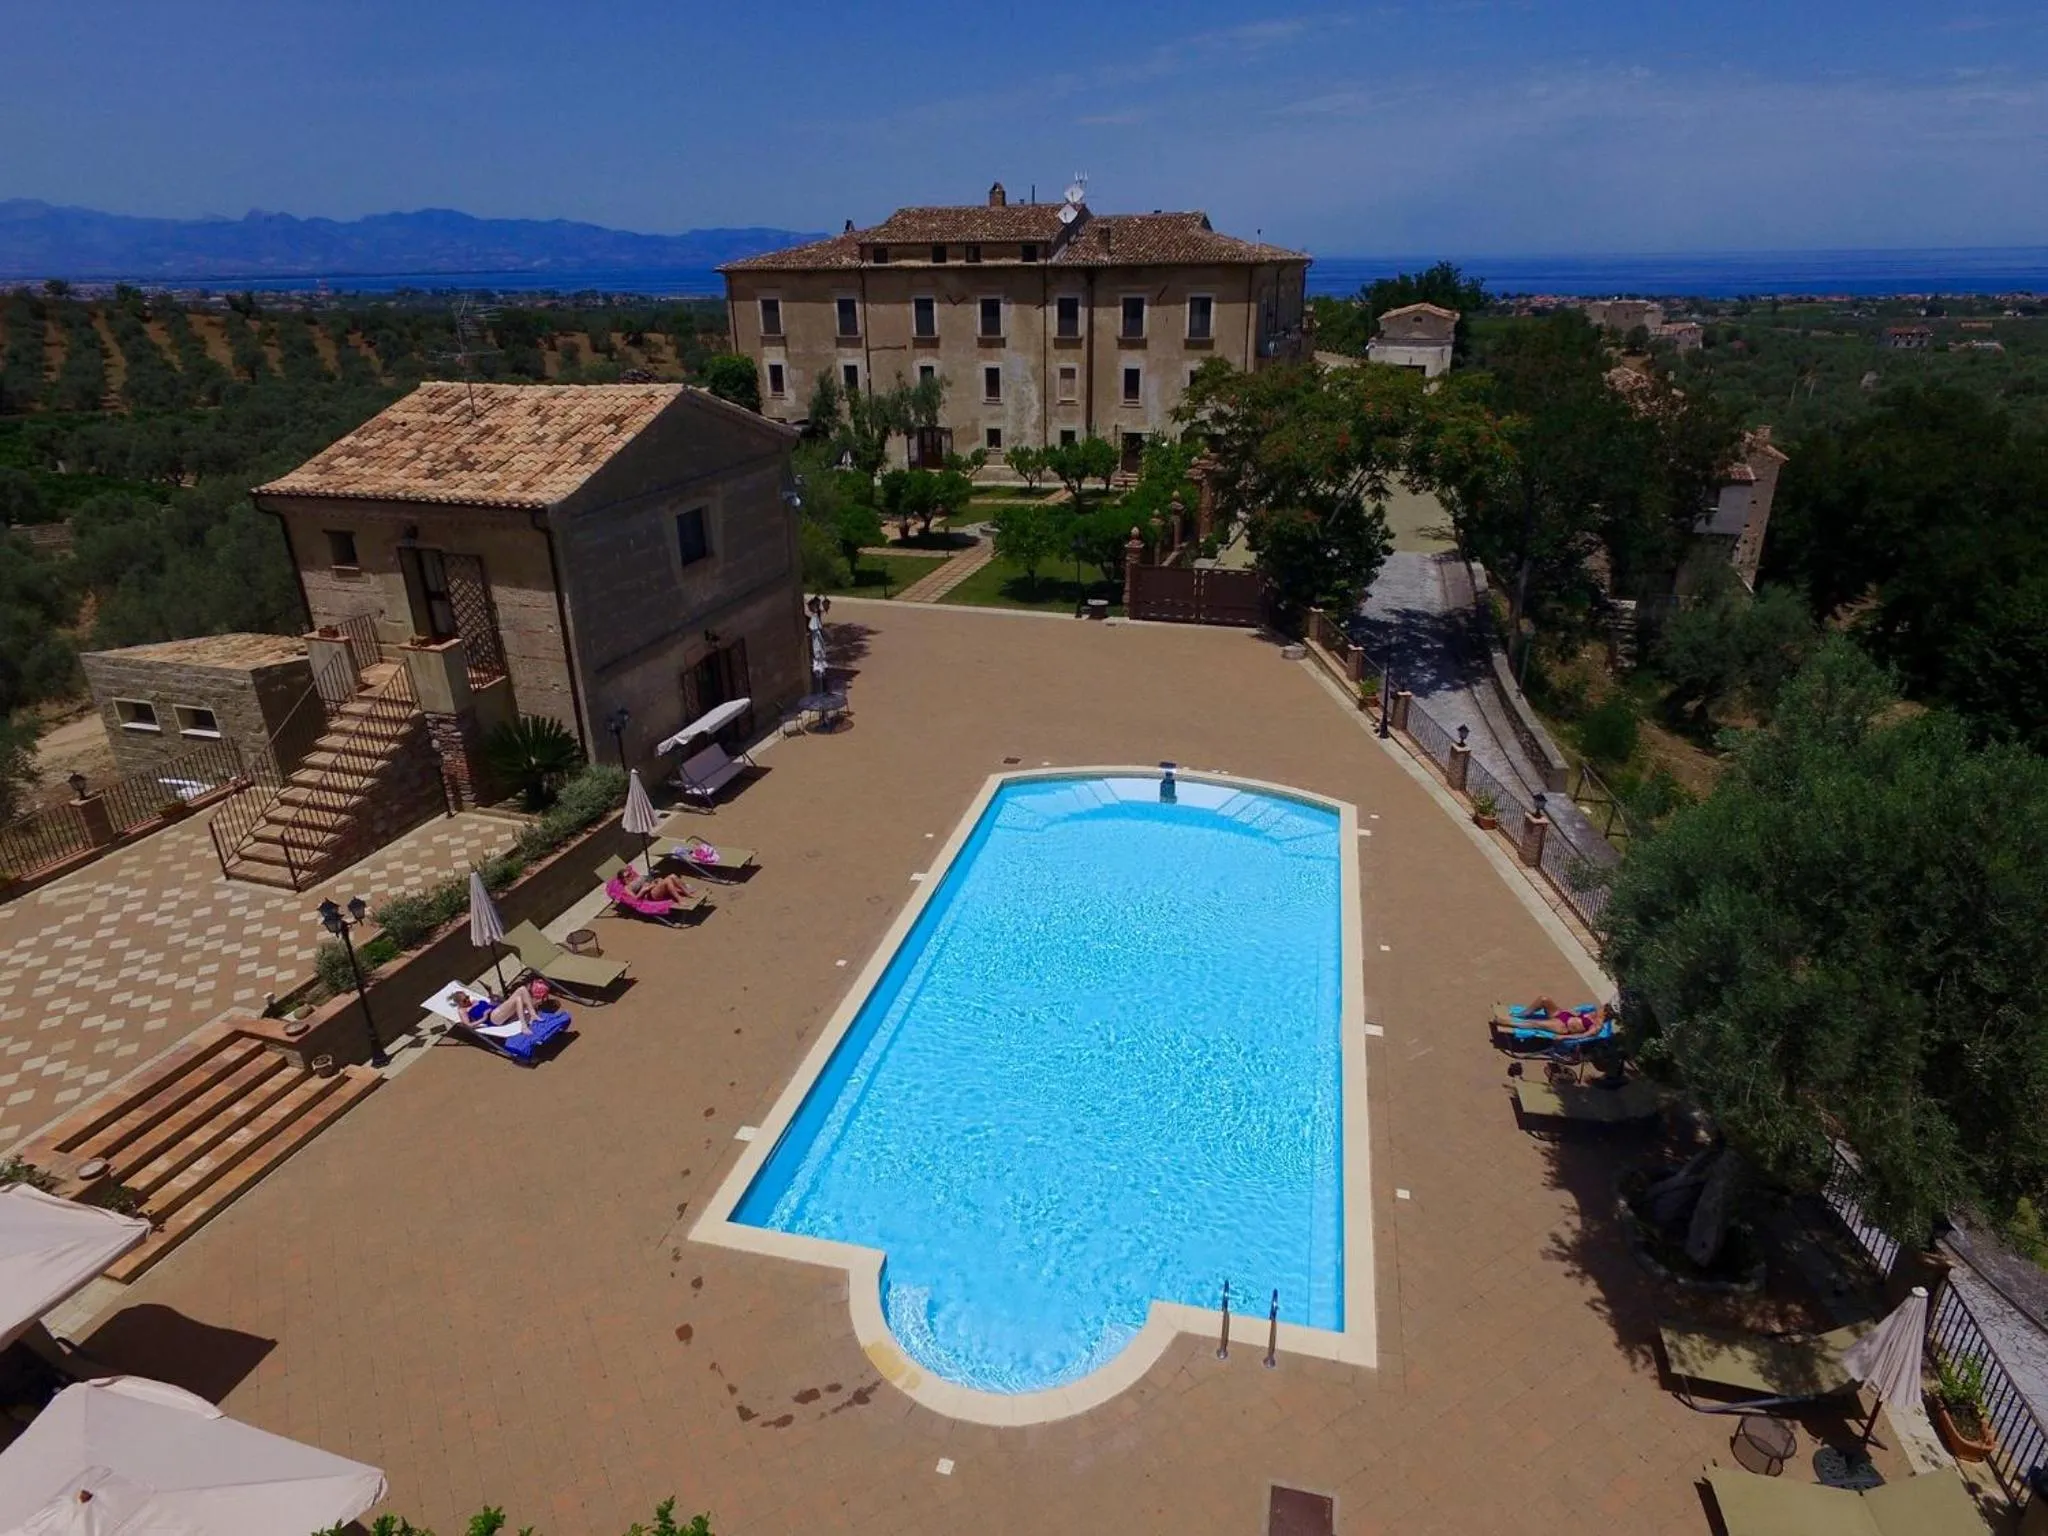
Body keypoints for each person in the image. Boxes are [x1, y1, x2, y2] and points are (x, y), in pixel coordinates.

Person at [449, 980, 552, 1033]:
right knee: (518, 998)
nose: (468, 1000)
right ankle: (524, 1026)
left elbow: (492, 1004)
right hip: (493, 1018)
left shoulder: (474, 1001)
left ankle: (533, 1014)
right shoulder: (462, 1010)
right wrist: (483, 1018)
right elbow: (468, 1025)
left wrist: (490, 993)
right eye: (464, 1000)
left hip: (498, 1011)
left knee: (522, 989)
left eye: (467, 997)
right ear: (459, 1003)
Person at [620, 864, 696, 904]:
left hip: (654, 887)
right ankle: (680, 900)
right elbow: (634, 899)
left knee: (672, 876)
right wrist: (643, 890)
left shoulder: (637, 878)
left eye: (630, 874)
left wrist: (655, 881)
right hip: (650, 895)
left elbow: (649, 880)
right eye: (627, 876)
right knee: (667, 881)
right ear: (623, 879)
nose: (630, 876)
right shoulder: (627, 888)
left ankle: (687, 892)